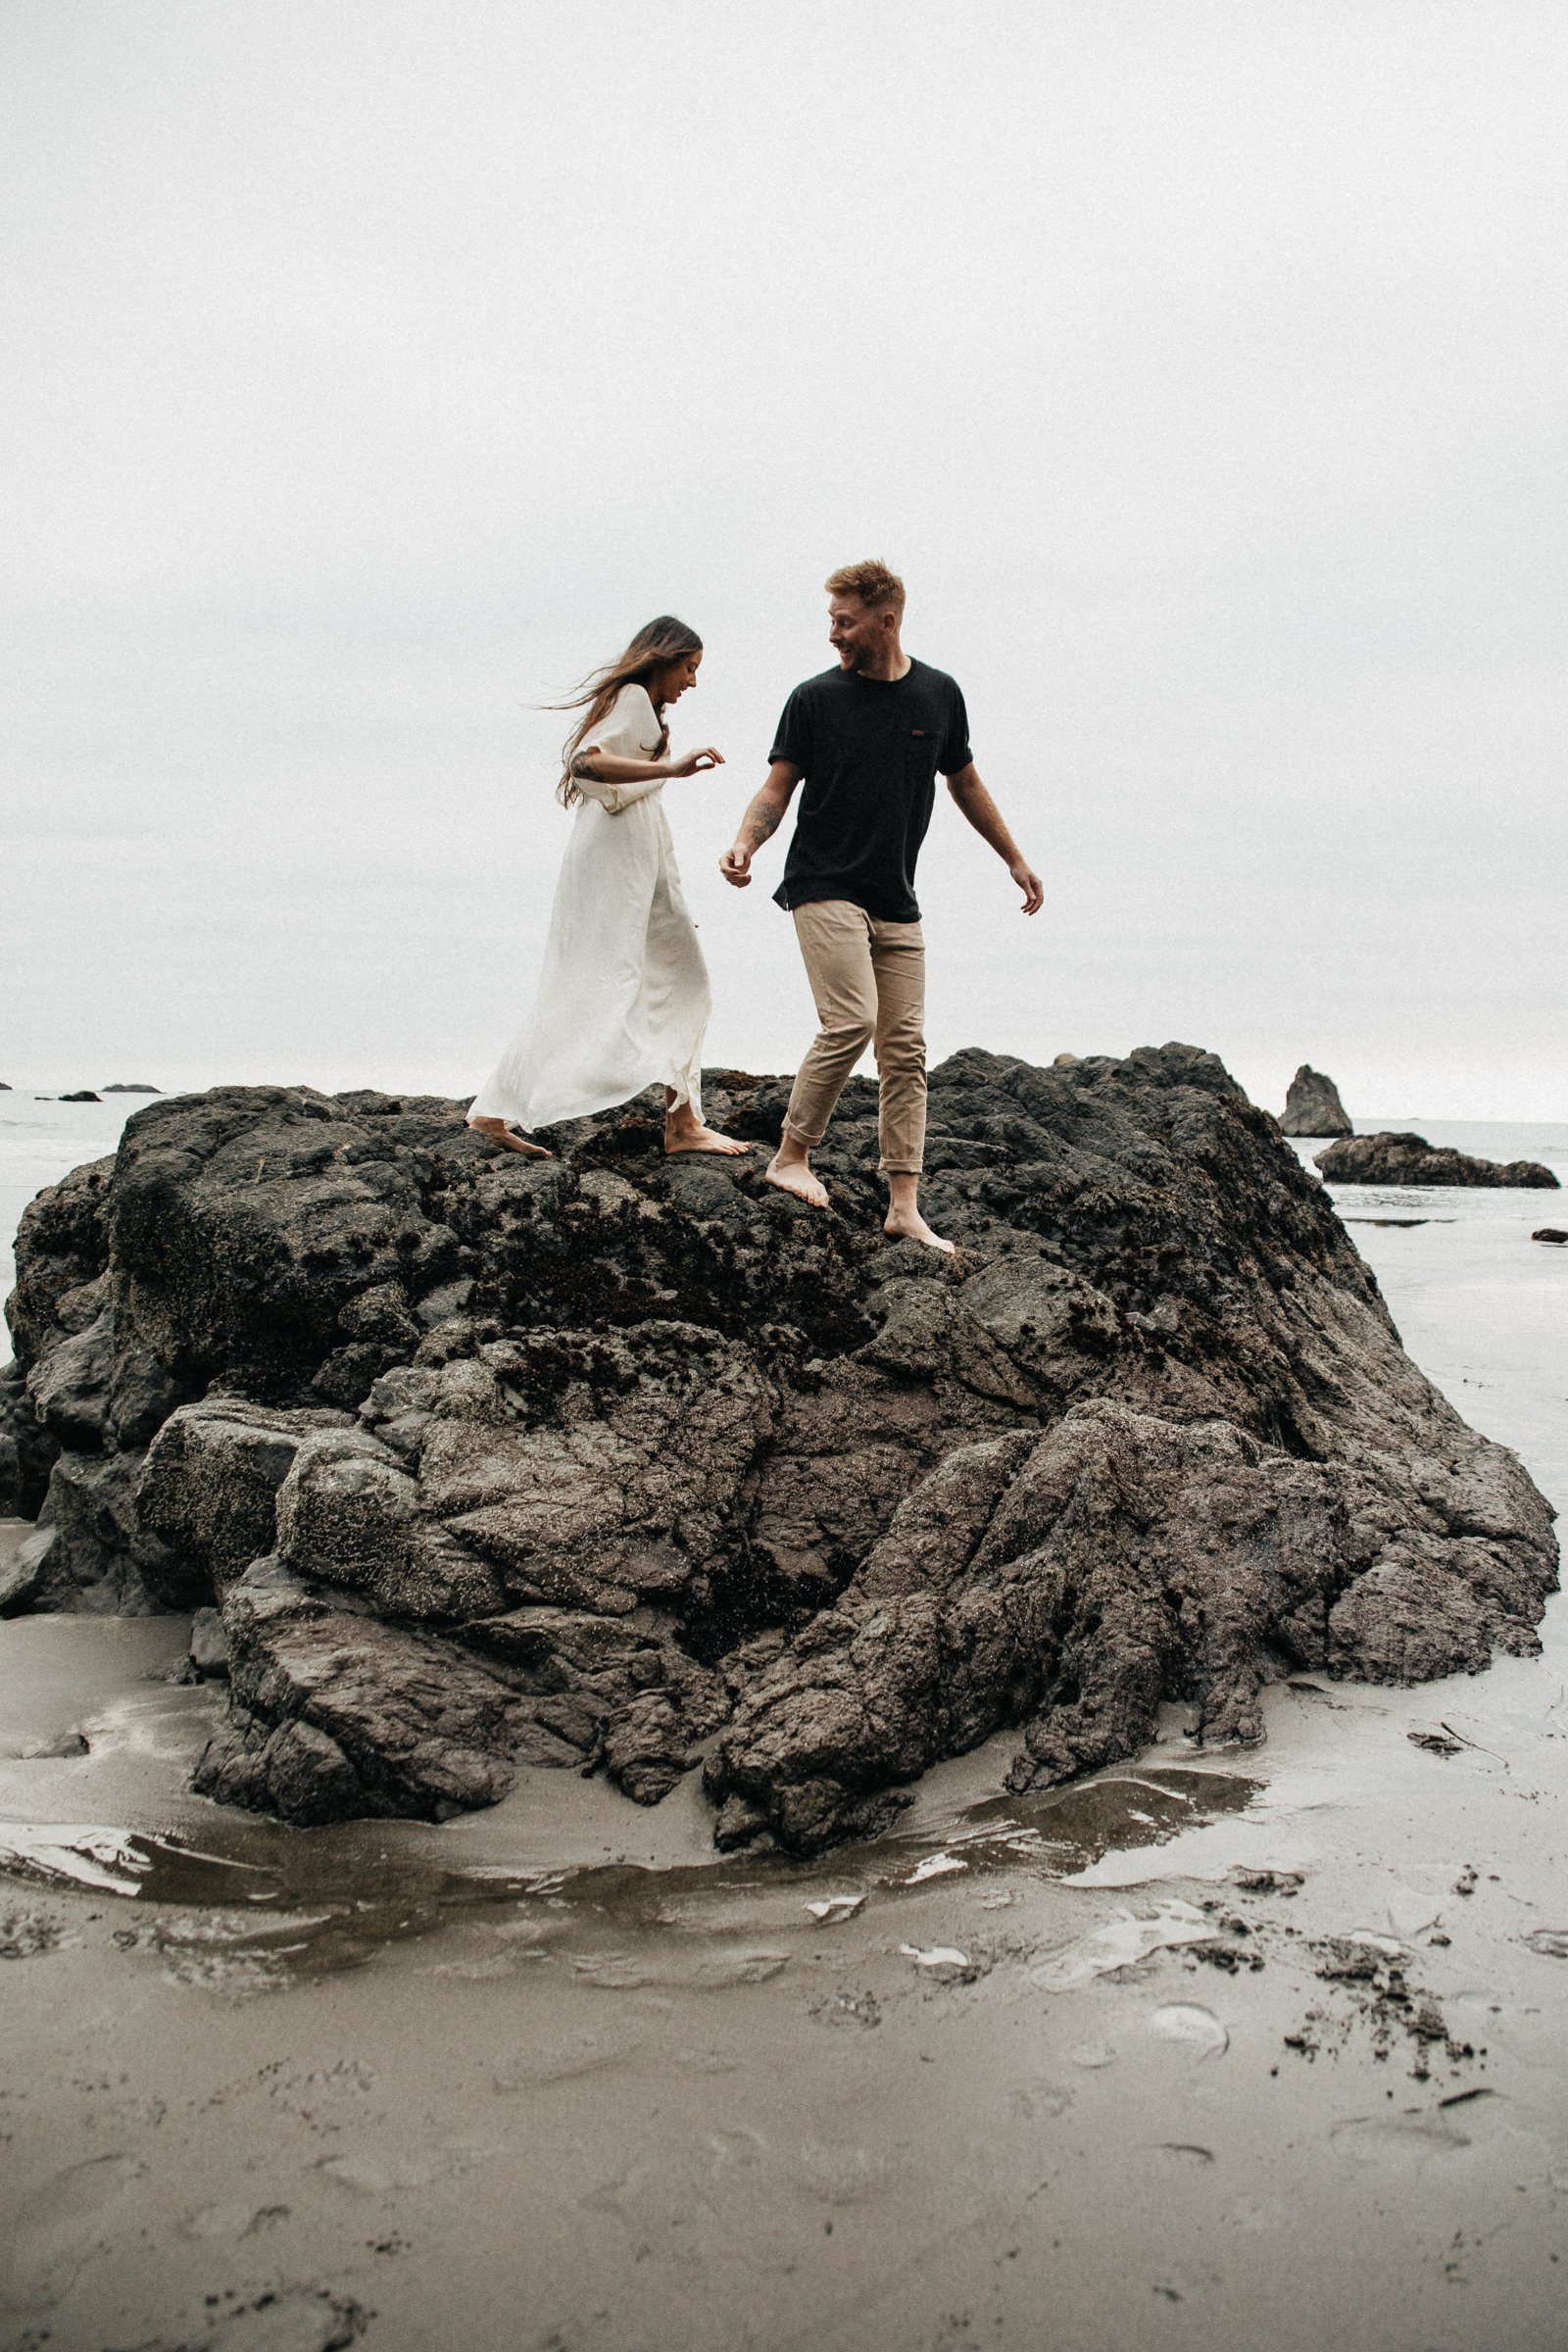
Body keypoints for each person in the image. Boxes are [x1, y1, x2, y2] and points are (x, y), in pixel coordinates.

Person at [720, 561, 1042, 1250]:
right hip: (822, 882)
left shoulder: (938, 695)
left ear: (885, 620)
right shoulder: (813, 700)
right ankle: (790, 1157)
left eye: (844, 621)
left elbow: (967, 784)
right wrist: (746, 842)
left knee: (905, 1051)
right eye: (832, 620)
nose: (832, 633)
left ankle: (904, 1204)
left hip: (896, 896)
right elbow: (776, 789)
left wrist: (1014, 858)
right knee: (853, 1020)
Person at [468, 616, 749, 1159]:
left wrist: (669, 904)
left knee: (624, 980)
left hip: (630, 859)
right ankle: (681, 1126)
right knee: (634, 983)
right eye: (689, 668)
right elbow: (586, 764)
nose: (692, 681)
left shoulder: (640, 707)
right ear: (664, 658)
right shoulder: (632, 698)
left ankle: (495, 1110)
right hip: (617, 861)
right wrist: (673, 766)